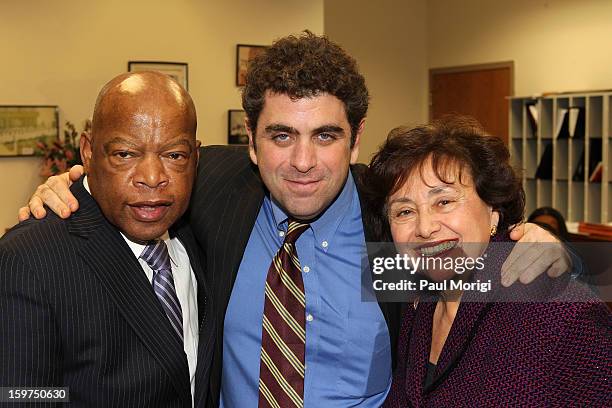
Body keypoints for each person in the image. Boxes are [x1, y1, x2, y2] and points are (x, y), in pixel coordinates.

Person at [19, 32, 571, 407]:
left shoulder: (392, 223)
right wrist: (72, 187)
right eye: (281, 136)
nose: (303, 163)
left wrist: (543, 242)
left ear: (355, 140)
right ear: (251, 143)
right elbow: (134, 175)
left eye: (325, 136)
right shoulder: (212, 191)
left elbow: (471, 267)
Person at [0, 72, 215, 407]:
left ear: (195, 157)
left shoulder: (200, 229)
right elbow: (18, 395)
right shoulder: (29, 259)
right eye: (125, 154)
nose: (152, 178)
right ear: (87, 152)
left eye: (174, 155)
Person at [365, 117, 610, 407]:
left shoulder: (558, 312)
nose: (425, 227)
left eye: (444, 202)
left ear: (493, 210)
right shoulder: (420, 305)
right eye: (404, 211)